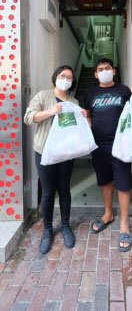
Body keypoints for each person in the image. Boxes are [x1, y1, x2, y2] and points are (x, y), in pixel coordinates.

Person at [24, 65, 87, 254]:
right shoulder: (44, 96)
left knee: (65, 190)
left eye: (69, 77)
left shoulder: (74, 101)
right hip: (44, 152)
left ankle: (66, 225)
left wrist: (83, 117)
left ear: (72, 81)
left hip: (66, 153)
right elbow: (29, 117)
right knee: (48, 192)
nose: (66, 79)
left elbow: (76, 128)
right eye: (62, 75)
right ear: (55, 77)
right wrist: (50, 112)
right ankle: (48, 230)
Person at [85, 58, 132, 252]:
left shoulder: (124, 91)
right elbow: (87, 114)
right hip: (99, 145)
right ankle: (108, 214)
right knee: (106, 182)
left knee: (123, 183)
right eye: (100, 69)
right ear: (96, 74)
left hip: (120, 144)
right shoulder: (90, 93)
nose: (104, 71)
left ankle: (124, 223)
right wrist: (88, 121)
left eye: (107, 68)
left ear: (113, 71)